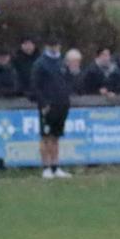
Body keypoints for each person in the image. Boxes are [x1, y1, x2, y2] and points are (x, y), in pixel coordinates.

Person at [30, 37, 73, 179]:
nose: (55, 48)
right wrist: (43, 104)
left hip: (61, 105)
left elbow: (67, 81)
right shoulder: (40, 63)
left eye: (57, 45)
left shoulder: (61, 62)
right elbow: (36, 86)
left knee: (55, 137)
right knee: (46, 137)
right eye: (52, 45)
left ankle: (55, 166)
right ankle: (46, 167)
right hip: (48, 106)